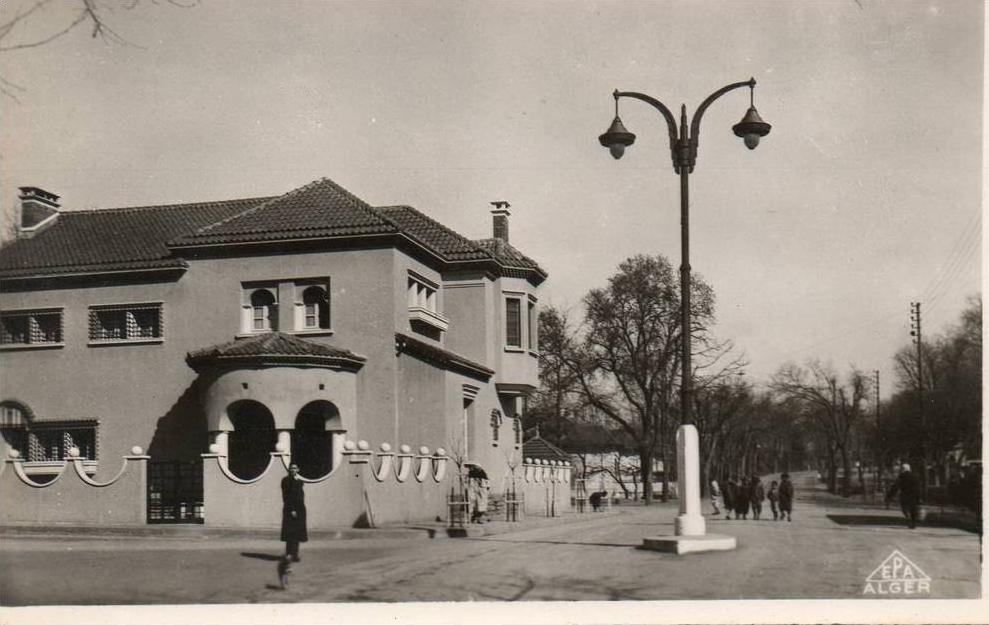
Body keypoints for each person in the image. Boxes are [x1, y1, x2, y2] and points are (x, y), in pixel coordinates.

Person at [281, 463, 308, 562]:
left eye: (295, 468)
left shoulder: (300, 481)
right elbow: (286, 496)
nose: (293, 469)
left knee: (297, 533)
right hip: (290, 510)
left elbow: (300, 497)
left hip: (300, 510)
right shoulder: (286, 480)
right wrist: (292, 509)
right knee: (290, 533)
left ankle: (295, 555)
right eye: (291, 468)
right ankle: (289, 554)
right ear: (289, 469)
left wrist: (300, 510)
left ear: (298, 469)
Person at [886, 463, 920, 529]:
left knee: (905, 508)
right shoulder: (915, 476)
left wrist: (889, 496)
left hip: (905, 495)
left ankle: (908, 517)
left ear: (903, 469)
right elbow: (918, 488)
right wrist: (919, 497)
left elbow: (895, 487)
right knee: (913, 509)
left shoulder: (901, 476)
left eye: (902, 469)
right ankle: (913, 523)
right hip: (914, 495)